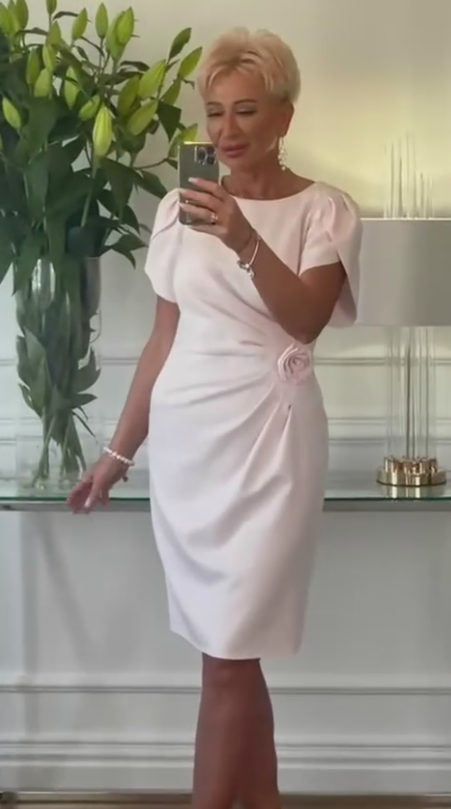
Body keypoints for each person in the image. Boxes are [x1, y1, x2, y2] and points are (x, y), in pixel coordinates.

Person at [68, 27, 362, 809]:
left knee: (229, 655)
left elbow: (304, 319)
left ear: (284, 117)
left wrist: (241, 236)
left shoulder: (324, 210)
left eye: (247, 111)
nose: (226, 131)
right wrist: (117, 455)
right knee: (226, 654)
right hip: (189, 450)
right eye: (215, 113)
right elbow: (163, 340)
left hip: (271, 443)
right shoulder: (177, 210)